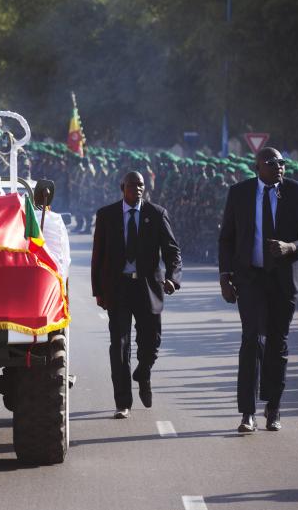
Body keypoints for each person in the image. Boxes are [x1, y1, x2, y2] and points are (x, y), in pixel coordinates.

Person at [218, 147, 298, 433]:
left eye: (282, 163)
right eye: (272, 163)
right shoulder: (239, 193)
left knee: (277, 342)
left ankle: (273, 407)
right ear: (258, 167)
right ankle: (247, 413)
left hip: (284, 280)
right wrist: (225, 277)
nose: (279, 167)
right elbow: (226, 238)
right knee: (251, 340)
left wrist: (292, 247)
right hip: (250, 278)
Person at [91, 171, 182, 419]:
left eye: (141, 185)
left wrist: (173, 278)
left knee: (151, 343)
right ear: (122, 187)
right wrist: (98, 290)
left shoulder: (157, 214)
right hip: (118, 288)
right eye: (132, 185)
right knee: (119, 345)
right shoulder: (107, 215)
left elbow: (172, 251)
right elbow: (98, 255)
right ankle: (123, 402)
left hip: (148, 288)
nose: (138, 189)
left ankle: (143, 373)